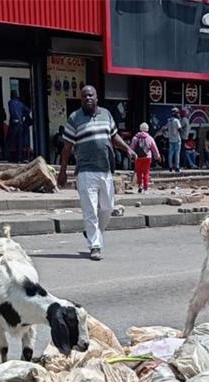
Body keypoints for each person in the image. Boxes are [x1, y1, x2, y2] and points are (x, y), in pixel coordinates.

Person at [57, 85, 136, 261]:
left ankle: (92, 232)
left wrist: (127, 149)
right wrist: (63, 171)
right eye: (84, 96)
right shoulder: (74, 118)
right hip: (85, 172)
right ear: (81, 99)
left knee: (107, 208)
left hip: (105, 170)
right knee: (90, 211)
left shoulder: (106, 114)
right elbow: (67, 147)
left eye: (91, 95)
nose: (88, 98)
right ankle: (95, 245)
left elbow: (114, 137)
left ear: (97, 97)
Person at [130, 122, 160, 194]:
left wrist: (131, 157)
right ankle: (145, 188)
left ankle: (140, 186)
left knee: (139, 172)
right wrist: (157, 156)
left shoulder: (135, 138)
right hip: (147, 157)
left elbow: (131, 148)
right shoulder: (150, 138)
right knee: (146, 172)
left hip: (138, 157)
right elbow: (154, 148)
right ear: (147, 129)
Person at [7, 90, 30, 162]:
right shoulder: (21, 104)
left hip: (14, 123)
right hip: (20, 123)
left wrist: (15, 118)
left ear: (11, 95)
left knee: (9, 140)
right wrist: (22, 116)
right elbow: (28, 110)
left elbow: (12, 111)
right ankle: (19, 157)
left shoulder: (10, 102)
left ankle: (7, 157)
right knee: (19, 141)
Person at [164, 108, 182, 172]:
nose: (178, 114)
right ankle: (177, 168)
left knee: (170, 154)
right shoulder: (177, 120)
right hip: (177, 139)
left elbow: (166, 129)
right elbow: (179, 129)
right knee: (177, 154)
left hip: (171, 139)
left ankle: (170, 167)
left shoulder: (169, 120)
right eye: (177, 113)